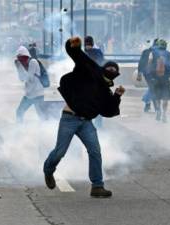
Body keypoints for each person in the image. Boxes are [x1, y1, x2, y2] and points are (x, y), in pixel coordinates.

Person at [43, 37, 125, 198]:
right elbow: (79, 57)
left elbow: (108, 111)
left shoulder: (106, 91)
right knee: (60, 152)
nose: (110, 72)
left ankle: (97, 186)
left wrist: (117, 96)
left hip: (86, 122)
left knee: (95, 151)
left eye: (114, 72)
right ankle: (48, 170)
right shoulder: (90, 71)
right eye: (108, 69)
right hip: (70, 118)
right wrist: (74, 46)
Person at [142, 39, 170, 122]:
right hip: (165, 78)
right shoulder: (169, 54)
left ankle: (158, 110)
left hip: (155, 78)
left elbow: (149, 63)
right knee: (165, 97)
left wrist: (149, 74)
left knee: (157, 96)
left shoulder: (153, 52)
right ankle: (164, 114)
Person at [14, 46, 47, 122]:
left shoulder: (33, 62)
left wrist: (22, 67)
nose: (21, 60)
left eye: (22, 58)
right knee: (19, 112)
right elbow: (22, 79)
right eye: (19, 59)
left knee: (41, 116)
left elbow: (30, 78)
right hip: (29, 94)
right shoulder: (22, 65)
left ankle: (46, 130)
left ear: (26, 56)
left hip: (37, 94)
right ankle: (20, 129)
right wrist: (18, 67)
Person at [84, 36, 105, 128]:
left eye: (88, 44)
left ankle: (98, 123)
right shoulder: (87, 52)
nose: (87, 46)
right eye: (86, 45)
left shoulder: (97, 52)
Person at [138, 39, 159, 113]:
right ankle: (154, 107)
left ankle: (148, 104)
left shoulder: (146, 51)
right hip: (152, 74)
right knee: (153, 89)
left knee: (152, 89)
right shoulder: (156, 52)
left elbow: (141, 62)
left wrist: (139, 73)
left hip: (148, 74)